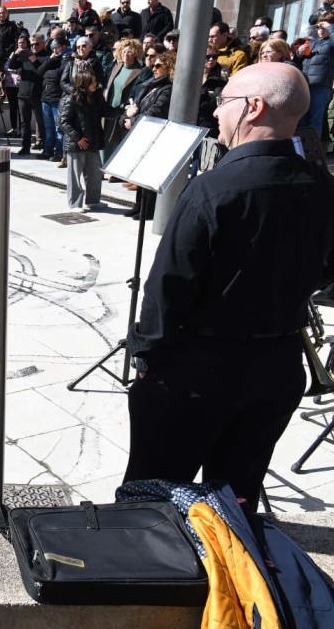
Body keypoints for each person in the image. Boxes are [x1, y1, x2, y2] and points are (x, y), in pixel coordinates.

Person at [123, 63, 334, 510]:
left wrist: (146, 358)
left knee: (154, 499)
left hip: (196, 372)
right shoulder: (323, 185)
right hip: (278, 366)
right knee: (235, 502)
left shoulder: (212, 190)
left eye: (225, 102)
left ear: (253, 108)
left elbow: (168, 290)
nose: (217, 113)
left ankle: (155, 579)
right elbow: (327, 274)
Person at [121, 51, 175, 220]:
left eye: (158, 65)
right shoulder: (149, 85)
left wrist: (133, 119)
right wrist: (126, 117)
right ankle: (138, 205)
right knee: (138, 173)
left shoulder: (167, 89)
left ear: (169, 67)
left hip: (155, 135)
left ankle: (148, 209)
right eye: (153, 65)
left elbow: (155, 112)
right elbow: (133, 106)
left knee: (149, 174)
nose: (154, 69)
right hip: (141, 133)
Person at [58, 67, 105, 213]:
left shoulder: (95, 97)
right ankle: (75, 203)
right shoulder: (71, 98)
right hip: (77, 143)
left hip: (93, 142)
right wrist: (77, 138)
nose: (96, 84)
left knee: (95, 173)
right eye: (93, 82)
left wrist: (124, 110)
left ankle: (93, 200)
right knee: (75, 175)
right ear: (84, 83)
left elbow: (106, 110)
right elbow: (62, 121)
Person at [102, 38, 144, 159]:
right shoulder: (117, 67)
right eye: (124, 51)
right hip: (109, 107)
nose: (126, 54)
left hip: (123, 110)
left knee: (117, 140)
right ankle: (102, 166)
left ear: (135, 53)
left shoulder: (138, 71)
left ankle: (113, 170)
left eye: (129, 51)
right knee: (105, 137)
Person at [9, 33, 49, 156]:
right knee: (24, 123)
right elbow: (12, 66)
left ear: (43, 44)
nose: (34, 47)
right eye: (32, 44)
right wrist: (16, 54)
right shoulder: (25, 55)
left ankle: (44, 146)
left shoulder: (46, 57)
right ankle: (25, 147)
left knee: (42, 122)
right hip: (23, 94)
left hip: (38, 95)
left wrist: (34, 60)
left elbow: (41, 72)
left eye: (37, 44)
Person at [299, 21, 334, 135]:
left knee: (315, 120)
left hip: (320, 86)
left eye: (324, 28)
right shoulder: (312, 42)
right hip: (305, 84)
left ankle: (313, 151)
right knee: (301, 120)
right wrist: (299, 54)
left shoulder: (331, 42)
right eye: (319, 28)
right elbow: (297, 62)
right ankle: (300, 150)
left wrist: (331, 28)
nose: (321, 30)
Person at [38, 37, 68, 163]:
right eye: (53, 48)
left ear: (63, 47)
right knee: (48, 128)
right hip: (45, 98)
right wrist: (51, 59)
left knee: (58, 128)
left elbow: (59, 74)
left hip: (57, 98)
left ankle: (59, 153)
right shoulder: (49, 59)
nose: (55, 50)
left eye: (57, 47)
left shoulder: (66, 59)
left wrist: (50, 73)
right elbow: (39, 72)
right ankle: (47, 150)